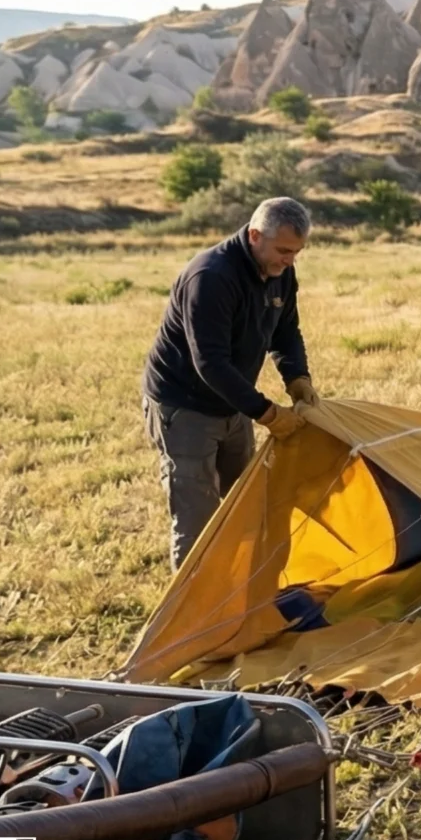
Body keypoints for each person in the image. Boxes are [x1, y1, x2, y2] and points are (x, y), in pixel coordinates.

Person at [141, 197, 318, 570]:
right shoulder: (211, 277)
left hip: (234, 401)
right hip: (185, 406)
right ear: (255, 235)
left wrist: (297, 378)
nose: (289, 260)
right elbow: (210, 363)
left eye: (296, 252)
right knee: (198, 520)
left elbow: (286, 331)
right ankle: (191, 618)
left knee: (246, 503)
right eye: (284, 250)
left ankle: (244, 591)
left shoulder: (279, 272)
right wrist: (269, 414)